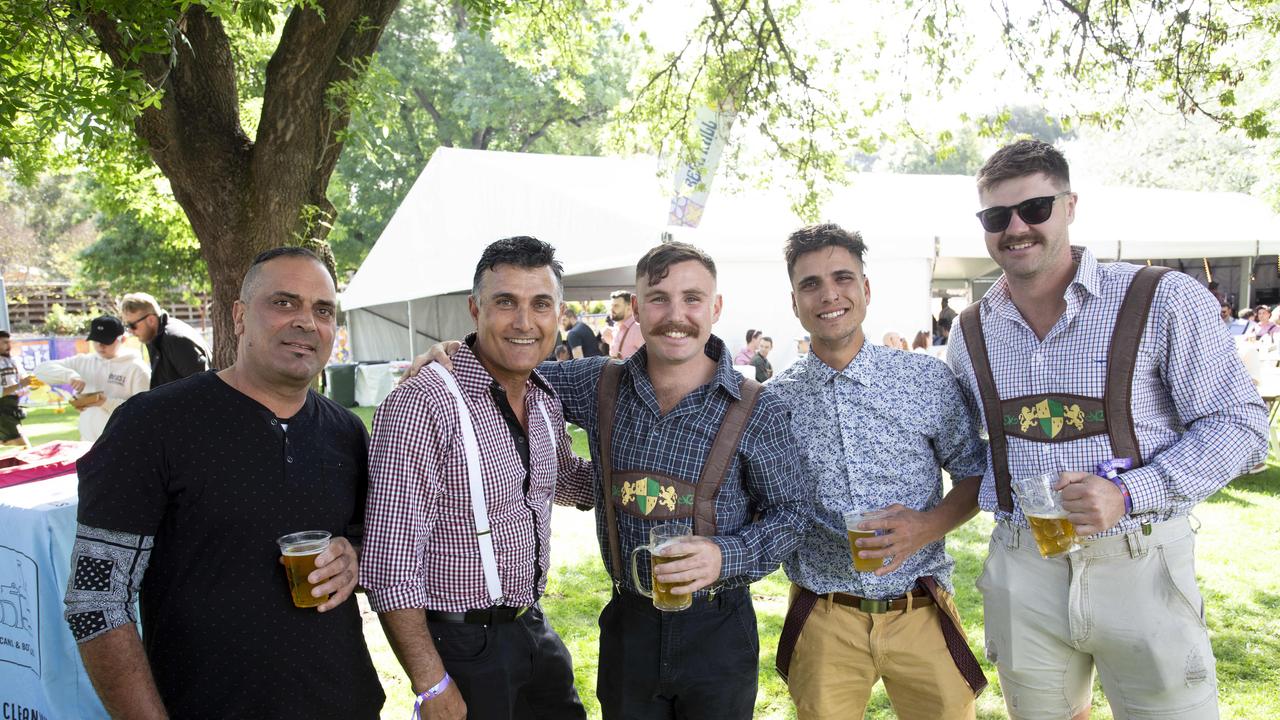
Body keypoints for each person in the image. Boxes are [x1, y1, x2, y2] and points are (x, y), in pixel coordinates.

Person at [413, 241, 809, 719]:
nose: (675, 315)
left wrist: (726, 555)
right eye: (659, 298)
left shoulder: (758, 409)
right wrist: (456, 351)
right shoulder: (597, 382)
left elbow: (794, 514)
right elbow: (512, 361)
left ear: (716, 308)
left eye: (692, 299)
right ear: (637, 310)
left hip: (718, 631)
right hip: (629, 627)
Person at [949, 139, 1267, 720]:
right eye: (997, 217)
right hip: (1025, 569)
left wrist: (1127, 493)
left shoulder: (1160, 297)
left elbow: (1242, 423)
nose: (1016, 228)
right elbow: (967, 446)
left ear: (1070, 206)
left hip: (1142, 562)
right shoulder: (970, 331)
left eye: (1035, 209)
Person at [65, 247, 384, 718]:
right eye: (283, 302)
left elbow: (367, 541)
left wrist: (352, 558)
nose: (305, 322)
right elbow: (95, 599)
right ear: (238, 316)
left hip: (345, 700)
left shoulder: (346, 432)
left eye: (322, 310)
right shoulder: (153, 425)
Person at [361, 237, 590, 720]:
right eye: (505, 302)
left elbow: (567, 482)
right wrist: (431, 682)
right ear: (475, 308)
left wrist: (656, 474)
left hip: (531, 627)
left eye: (540, 304)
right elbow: (389, 565)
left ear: (559, 314)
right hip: (459, 643)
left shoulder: (544, 400)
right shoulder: (424, 402)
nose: (525, 322)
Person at [770, 224, 988, 720]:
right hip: (824, 612)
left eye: (843, 278)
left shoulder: (926, 378)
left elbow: (976, 474)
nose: (829, 295)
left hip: (922, 608)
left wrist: (926, 527)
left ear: (865, 289)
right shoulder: (774, 402)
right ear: (794, 301)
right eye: (810, 284)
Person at [34, 316, 149, 443]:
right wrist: (69, 376)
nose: (100, 346)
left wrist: (105, 402)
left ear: (122, 339)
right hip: (87, 443)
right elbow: (40, 370)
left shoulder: (137, 368)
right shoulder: (84, 361)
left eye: (106, 341)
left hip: (121, 443)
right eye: (96, 340)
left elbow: (142, 411)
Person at [120, 292, 211, 388]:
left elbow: (203, 387)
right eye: (127, 326)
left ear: (151, 320)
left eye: (132, 325)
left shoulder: (176, 340)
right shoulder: (153, 335)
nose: (130, 330)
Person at [0, 330, 31, 447]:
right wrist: (20, 385)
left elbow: (23, 379)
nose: (8, 346)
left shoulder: (14, 360)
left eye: (9, 342)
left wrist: (29, 383)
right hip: (3, 409)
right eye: (4, 342)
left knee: (8, 442)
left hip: (12, 407)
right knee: (25, 446)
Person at [609, 289, 645, 360]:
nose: (611, 309)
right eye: (611, 305)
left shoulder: (638, 329)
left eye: (616, 306)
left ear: (629, 308)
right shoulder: (616, 328)